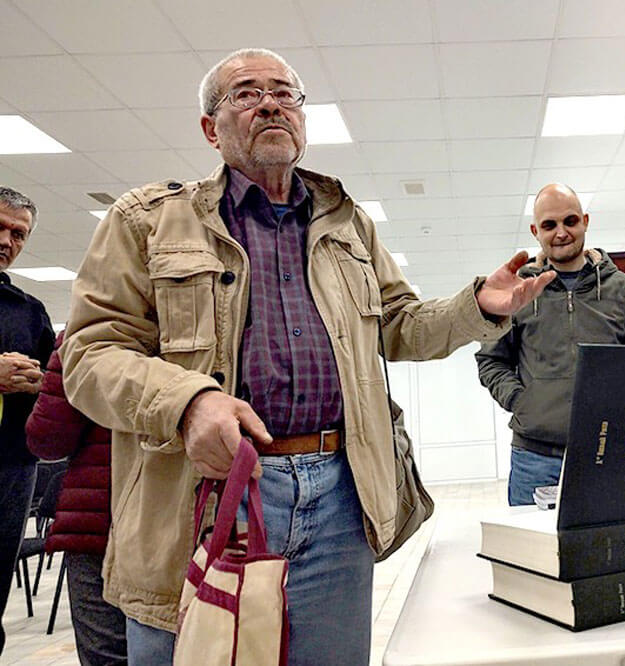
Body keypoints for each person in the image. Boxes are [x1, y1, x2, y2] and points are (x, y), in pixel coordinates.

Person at [60, 48, 552, 666]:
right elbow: (91, 351)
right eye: (246, 93)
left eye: (285, 93)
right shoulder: (149, 221)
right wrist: (187, 402)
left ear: (301, 118)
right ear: (211, 128)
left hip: (339, 497)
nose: (270, 104)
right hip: (205, 496)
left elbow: (398, 325)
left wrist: (475, 305)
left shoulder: (348, 224)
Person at [476, 183, 625, 505]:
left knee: (611, 537)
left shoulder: (622, 289)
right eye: (549, 225)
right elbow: (491, 360)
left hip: (611, 452)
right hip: (535, 457)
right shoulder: (517, 293)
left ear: (585, 221)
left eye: (570, 221)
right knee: (532, 539)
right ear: (535, 231)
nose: (561, 233)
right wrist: (521, 400)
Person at [26, 331, 127, 666]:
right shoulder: (210, 322)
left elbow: (47, 440)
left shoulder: (84, 334)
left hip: (96, 518)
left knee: (106, 655)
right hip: (184, 519)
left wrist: (51, 386)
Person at [0, 187, 54, 656]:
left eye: (18, 234)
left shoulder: (29, 311)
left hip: (13, 469)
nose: (7, 241)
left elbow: (55, 384)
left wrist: (41, 382)